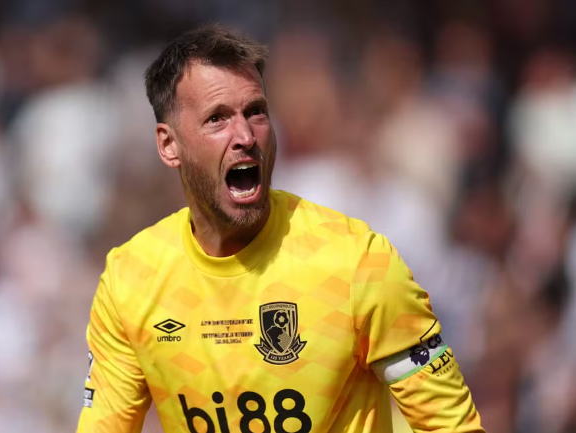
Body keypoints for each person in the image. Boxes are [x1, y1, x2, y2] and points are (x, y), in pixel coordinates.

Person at [76, 24, 484, 433]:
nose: (245, 136)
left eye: (255, 112)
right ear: (169, 145)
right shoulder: (132, 279)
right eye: (217, 118)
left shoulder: (358, 264)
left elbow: (453, 427)